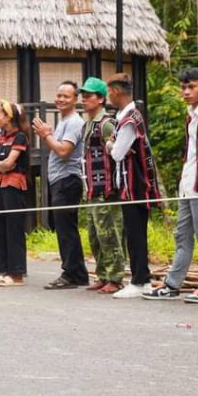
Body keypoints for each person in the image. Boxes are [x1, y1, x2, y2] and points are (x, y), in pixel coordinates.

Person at [144, 68, 198, 303]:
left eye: (191, 87)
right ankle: (173, 283)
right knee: (182, 236)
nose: (186, 91)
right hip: (188, 186)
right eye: (183, 87)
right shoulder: (191, 115)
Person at [107, 73, 161, 299]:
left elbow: (118, 153)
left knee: (136, 233)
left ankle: (139, 280)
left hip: (136, 185)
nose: (108, 96)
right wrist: (115, 145)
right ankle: (142, 277)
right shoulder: (124, 116)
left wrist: (111, 144)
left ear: (117, 92)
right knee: (133, 232)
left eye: (109, 91)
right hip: (128, 184)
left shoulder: (130, 119)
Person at [33, 81, 89, 290]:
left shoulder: (74, 122)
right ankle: (77, 272)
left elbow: (64, 151)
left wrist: (46, 135)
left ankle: (72, 273)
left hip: (68, 180)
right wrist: (47, 134)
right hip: (60, 180)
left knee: (67, 229)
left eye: (66, 96)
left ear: (75, 99)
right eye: (59, 95)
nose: (61, 99)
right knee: (65, 228)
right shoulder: (64, 121)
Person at [78, 77, 124, 294]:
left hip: (106, 188)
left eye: (89, 96)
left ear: (101, 99)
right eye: (83, 96)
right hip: (91, 189)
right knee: (95, 235)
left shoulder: (107, 123)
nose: (84, 100)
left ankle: (115, 277)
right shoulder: (88, 123)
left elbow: (117, 153)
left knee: (109, 233)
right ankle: (102, 273)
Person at [0, 100, 30, 287]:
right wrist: (1, 166)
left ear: (9, 117)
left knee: (14, 229)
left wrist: (1, 166)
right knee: (0, 228)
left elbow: (10, 163)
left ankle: (17, 273)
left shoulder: (20, 137)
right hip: (0, 184)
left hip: (15, 185)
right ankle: (3, 269)